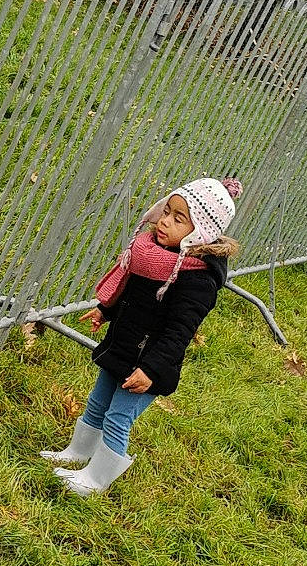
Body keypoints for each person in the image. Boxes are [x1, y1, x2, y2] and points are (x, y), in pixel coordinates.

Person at [43, 177, 241, 496]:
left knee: (118, 417)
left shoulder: (197, 279)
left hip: (147, 366)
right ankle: (78, 452)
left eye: (179, 219)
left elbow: (180, 332)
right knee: (97, 403)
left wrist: (151, 370)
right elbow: (131, 295)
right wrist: (105, 311)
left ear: (201, 231)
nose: (164, 221)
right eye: (167, 211)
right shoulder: (154, 255)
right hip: (123, 346)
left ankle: (96, 480)